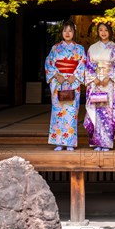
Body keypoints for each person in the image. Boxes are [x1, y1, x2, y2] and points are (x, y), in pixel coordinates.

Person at [45, 20, 86, 151]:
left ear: (74, 33)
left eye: (70, 31)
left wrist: (74, 77)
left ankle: (69, 142)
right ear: (61, 32)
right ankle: (58, 142)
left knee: (72, 112)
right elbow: (48, 63)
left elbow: (83, 64)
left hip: (73, 82)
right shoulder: (55, 48)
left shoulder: (79, 49)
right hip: (58, 82)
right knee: (58, 112)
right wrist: (57, 76)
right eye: (65, 30)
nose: (67, 33)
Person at [84, 23, 115, 151]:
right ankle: (97, 141)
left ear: (110, 32)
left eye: (106, 30)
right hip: (96, 84)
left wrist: (109, 77)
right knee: (97, 112)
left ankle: (106, 143)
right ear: (98, 32)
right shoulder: (92, 48)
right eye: (100, 30)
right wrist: (94, 78)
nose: (103, 32)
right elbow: (88, 66)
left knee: (108, 112)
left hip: (110, 84)